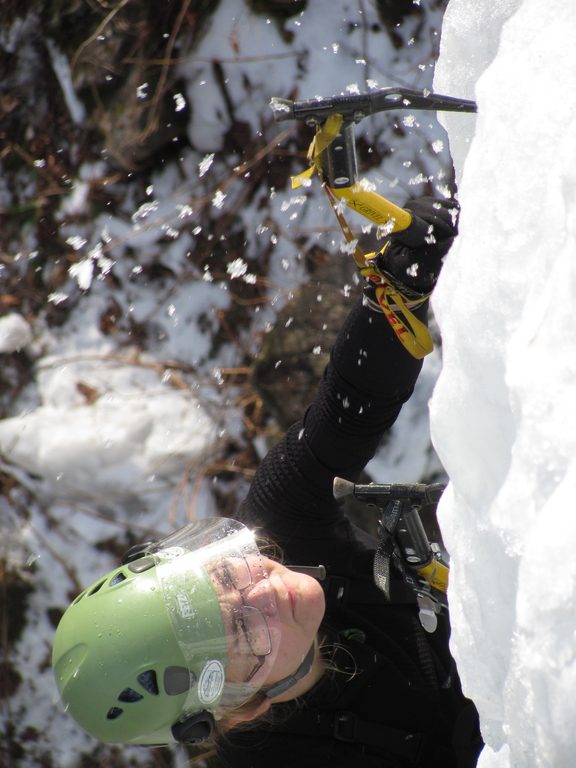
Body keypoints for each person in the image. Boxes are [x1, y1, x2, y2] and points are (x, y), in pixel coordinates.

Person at [52, 196, 484, 767]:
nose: (265, 589)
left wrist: (397, 288)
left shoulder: (279, 532)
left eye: (227, 573)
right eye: (244, 635)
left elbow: (350, 408)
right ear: (241, 709)